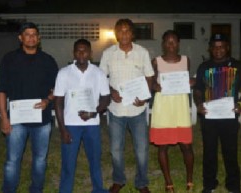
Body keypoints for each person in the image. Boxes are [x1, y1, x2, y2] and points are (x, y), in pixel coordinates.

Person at [0, 22, 59, 193]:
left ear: (39, 38)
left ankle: (36, 189)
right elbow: (1, 90)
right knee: (12, 160)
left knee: (40, 160)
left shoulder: (48, 60)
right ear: (20, 37)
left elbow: (57, 89)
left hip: (42, 120)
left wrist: (48, 100)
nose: (31, 37)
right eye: (27, 34)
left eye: (34, 34)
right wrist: (3, 117)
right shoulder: (9, 59)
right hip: (16, 121)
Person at [99, 18, 154, 193]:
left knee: (142, 150)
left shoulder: (142, 52)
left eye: (127, 30)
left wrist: (145, 97)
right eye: (120, 31)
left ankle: (142, 182)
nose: (124, 34)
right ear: (116, 34)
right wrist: (110, 90)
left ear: (132, 33)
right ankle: (119, 179)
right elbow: (101, 78)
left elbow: (149, 77)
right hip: (116, 111)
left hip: (137, 110)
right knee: (116, 149)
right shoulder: (108, 53)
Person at [193, 33, 241, 193]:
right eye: (215, 47)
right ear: (210, 49)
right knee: (209, 152)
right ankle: (209, 184)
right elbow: (198, 90)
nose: (218, 50)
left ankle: (233, 185)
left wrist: (240, 103)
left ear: (227, 47)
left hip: (229, 116)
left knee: (230, 152)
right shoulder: (204, 67)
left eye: (222, 46)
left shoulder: (239, 66)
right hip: (209, 117)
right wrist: (198, 104)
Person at [54, 39, 110, 193]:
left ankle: (98, 189)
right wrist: (63, 129)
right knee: (68, 162)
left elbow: (106, 98)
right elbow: (58, 102)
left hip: (92, 124)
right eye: (78, 50)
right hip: (71, 125)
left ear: (91, 53)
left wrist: (95, 112)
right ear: (73, 53)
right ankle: (65, 190)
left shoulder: (98, 73)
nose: (81, 53)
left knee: (95, 160)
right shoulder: (64, 73)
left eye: (85, 50)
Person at [149, 30, 194, 193]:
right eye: (167, 42)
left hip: (180, 106)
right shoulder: (156, 61)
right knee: (163, 147)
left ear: (178, 43)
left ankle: (189, 179)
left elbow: (187, 79)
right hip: (163, 106)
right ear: (163, 44)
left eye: (174, 41)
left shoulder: (186, 60)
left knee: (186, 146)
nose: (171, 45)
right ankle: (169, 183)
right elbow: (151, 83)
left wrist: (191, 82)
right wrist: (155, 86)